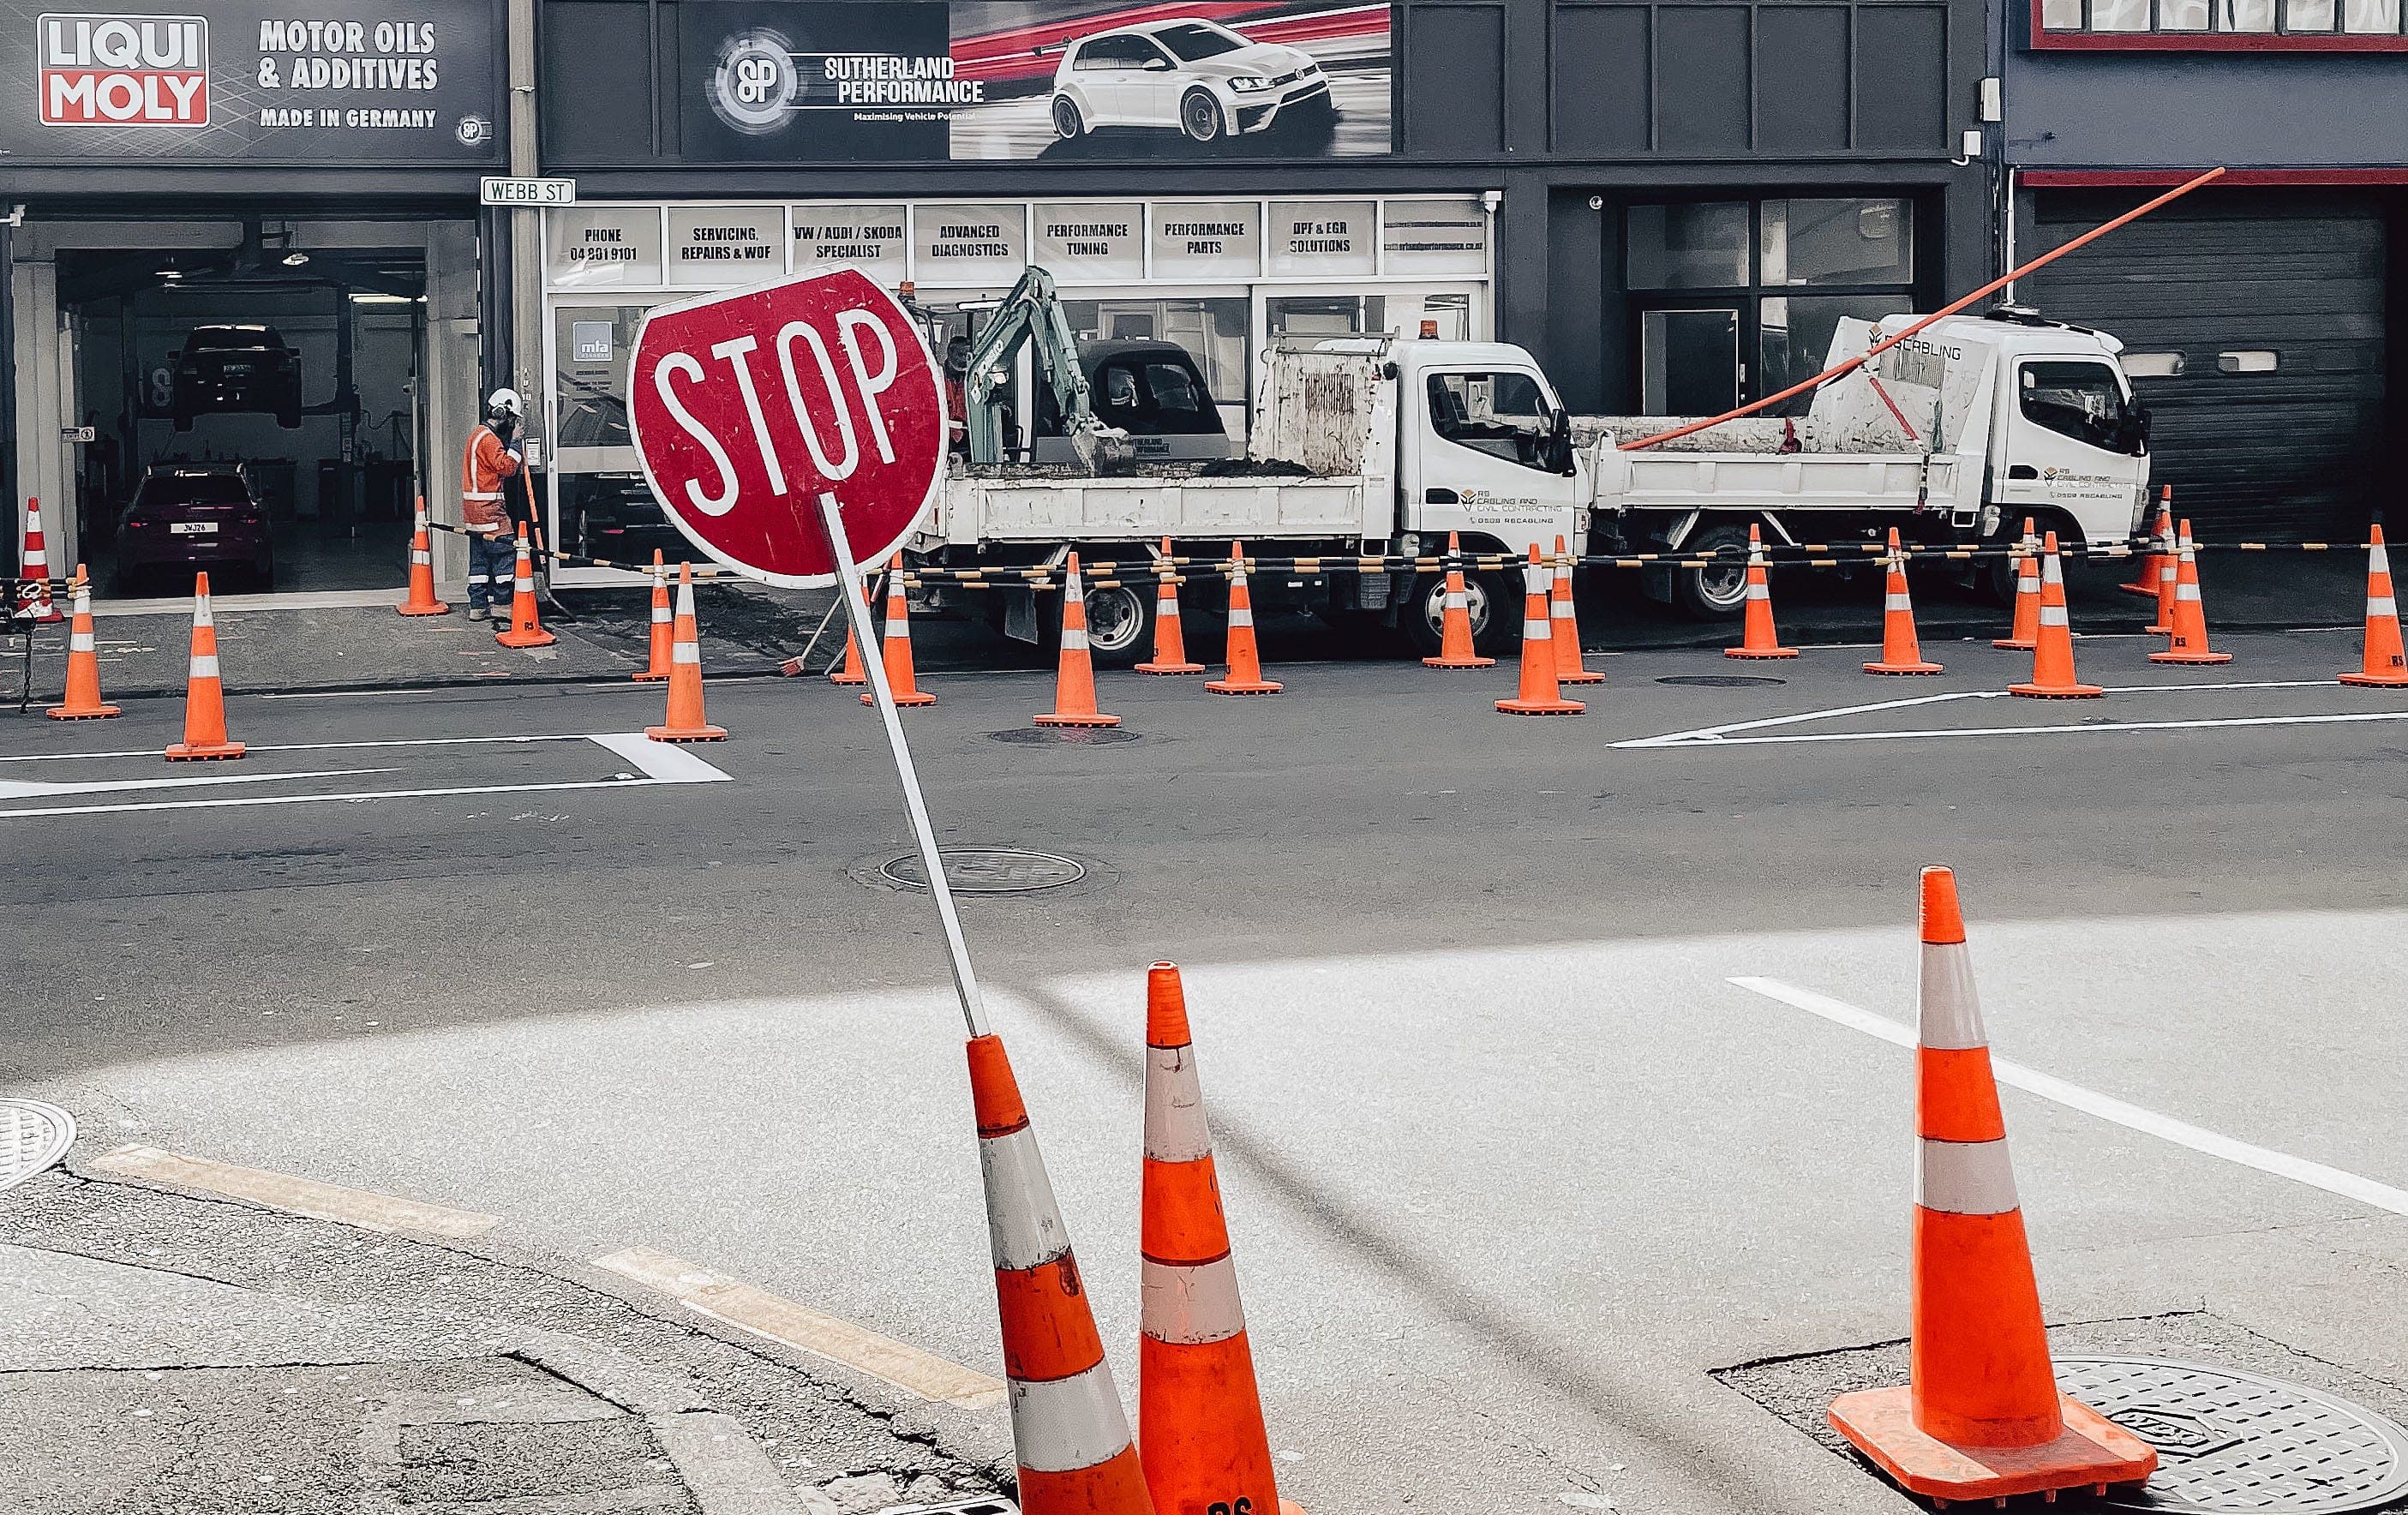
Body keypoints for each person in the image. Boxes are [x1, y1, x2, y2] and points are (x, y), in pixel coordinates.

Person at [460, 388, 524, 620]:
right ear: (501, 413)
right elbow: (507, 467)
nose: (511, 423)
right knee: (505, 553)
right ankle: (502, 605)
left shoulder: (476, 435)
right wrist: (515, 442)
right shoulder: (489, 440)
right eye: (511, 418)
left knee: (479, 561)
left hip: (473, 512)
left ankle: (478, 606)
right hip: (490, 510)